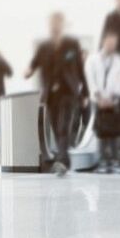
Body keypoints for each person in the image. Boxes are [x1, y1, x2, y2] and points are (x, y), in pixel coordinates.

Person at [25, 12, 88, 177]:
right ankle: (62, 159)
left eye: (58, 22)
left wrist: (85, 93)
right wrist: (28, 71)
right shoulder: (43, 47)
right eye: (52, 23)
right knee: (55, 127)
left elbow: (80, 69)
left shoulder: (72, 44)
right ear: (49, 25)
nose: (55, 26)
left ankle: (62, 162)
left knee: (63, 127)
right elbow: (34, 63)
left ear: (62, 25)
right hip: (50, 95)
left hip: (68, 92)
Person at [86, 33, 120, 173]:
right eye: (109, 42)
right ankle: (102, 162)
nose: (112, 46)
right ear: (104, 42)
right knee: (101, 133)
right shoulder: (92, 60)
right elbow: (91, 80)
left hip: (113, 101)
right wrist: (99, 99)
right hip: (98, 101)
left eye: (114, 43)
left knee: (114, 133)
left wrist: (113, 100)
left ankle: (115, 162)